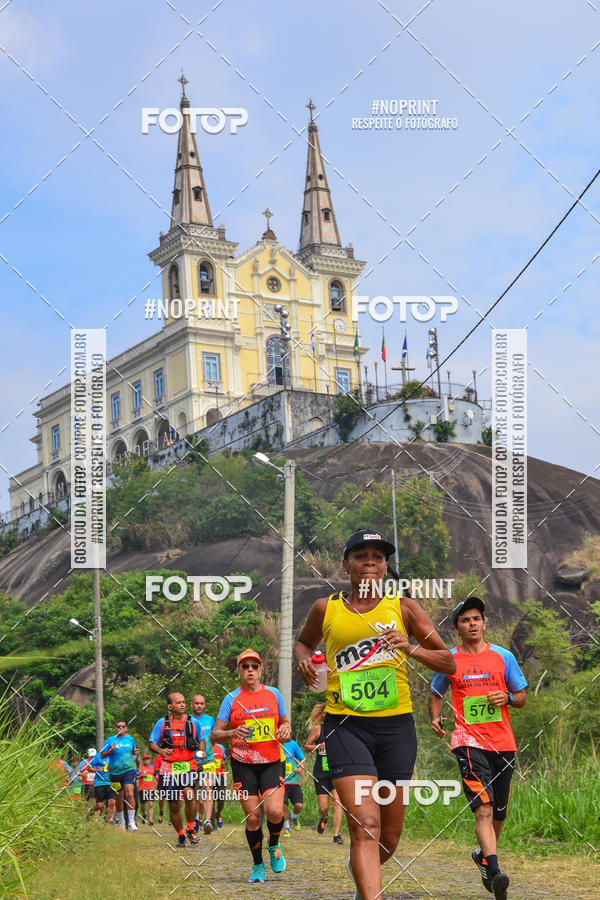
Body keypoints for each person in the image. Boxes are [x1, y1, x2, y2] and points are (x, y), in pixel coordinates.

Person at [294, 528, 456, 900]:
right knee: (365, 825)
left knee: (389, 837)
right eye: (360, 556)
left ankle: (362, 874)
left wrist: (410, 649)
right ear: (345, 565)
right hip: (345, 726)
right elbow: (303, 643)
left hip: (396, 730)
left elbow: (447, 662)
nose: (369, 562)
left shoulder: (404, 608)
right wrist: (303, 660)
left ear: (385, 567)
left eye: (378, 557)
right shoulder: (326, 608)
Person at [429, 597, 527, 900]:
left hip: (503, 744)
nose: (472, 624)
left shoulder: (503, 656)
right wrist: (435, 717)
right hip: (468, 741)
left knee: (499, 812)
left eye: (476, 619)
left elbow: (521, 696)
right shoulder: (449, 659)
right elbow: (436, 692)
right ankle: (496, 874)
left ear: (484, 623)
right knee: (483, 807)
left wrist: (507, 698)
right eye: (465, 620)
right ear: (456, 628)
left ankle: (484, 859)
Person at [212, 648, 291, 884]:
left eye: (254, 666)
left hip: (271, 762)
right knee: (254, 817)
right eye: (245, 666)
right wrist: (232, 732)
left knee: (275, 811)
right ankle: (258, 865)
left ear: (260, 670)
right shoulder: (231, 699)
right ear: (238, 671)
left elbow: (285, 723)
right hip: (243, 764)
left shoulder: (274, 694)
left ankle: (274, 844)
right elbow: (215, 735)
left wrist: (285, 729)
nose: (250, 670)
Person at [148, 692, 204, 848]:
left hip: (188, 764)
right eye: (178, 702)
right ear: (170, 706)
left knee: (190, 795)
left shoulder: (193, 722)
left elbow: (201, 740)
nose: (182, 704)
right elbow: (152, 743)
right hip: (169, 767)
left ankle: (191, 828)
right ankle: (180, 834)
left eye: (184, 702)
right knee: (173, 804)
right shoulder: (162, 723)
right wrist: (161, 751)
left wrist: (201, 752)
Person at [305, 702, 343, 844]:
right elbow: (306, 747)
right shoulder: (317, 729)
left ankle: (336, 835)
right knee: (324, 807)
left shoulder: (340, 729)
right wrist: (318, 746)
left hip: (336, 770)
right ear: (323, 714)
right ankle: (324, 817)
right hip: (321, 772)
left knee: (337, 802)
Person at [99, 720, 139, 830]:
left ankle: (131, 822)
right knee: (119, 798)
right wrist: (110, 750)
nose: (120, 728)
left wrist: (135, 752)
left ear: (126, 728)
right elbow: (102, 755)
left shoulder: (130, 739)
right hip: (114, 773)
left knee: (130, 793)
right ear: (115, 728)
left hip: (128, 769)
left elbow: (134, 751)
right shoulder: (110, 740)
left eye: (123, 726)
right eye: (118, 726)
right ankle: (121, 821)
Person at [190, 693, 216, 834]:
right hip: (192, 760)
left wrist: (207, 751)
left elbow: (213, 738)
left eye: (202, 703)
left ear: (204, 705)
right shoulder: (187, 720)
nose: (199, 706)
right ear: (191, 704)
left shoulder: (210, 720)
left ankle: (207, 821)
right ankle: (195, 819)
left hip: (208, 759)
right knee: (193, 792)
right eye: (197, 703)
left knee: (208, 787)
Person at [281, 736, 305, 836]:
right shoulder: (275, 744)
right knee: (283, 805)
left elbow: (303, 758)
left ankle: (294, 816)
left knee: (299, 805)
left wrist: (300, 768)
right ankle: (287, 827)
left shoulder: (293, 744)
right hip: (281, 782)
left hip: (294, 781)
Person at [88, 750, 117, 823]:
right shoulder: (98, 756)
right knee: (100, 805)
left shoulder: (114, 756)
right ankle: (91, 812)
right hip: (99, 783)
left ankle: (107, 821)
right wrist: (97, 769)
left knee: (112, 802)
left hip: (110, 783)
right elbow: (89, 767)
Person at [211, 742, 227, 828]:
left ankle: (218, 814)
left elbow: (225, 759)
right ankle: (213, 823)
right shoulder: (205, 747)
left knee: (221, 800)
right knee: (211, 801)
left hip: (220, 776)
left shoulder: (221, 747)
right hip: (208, 776)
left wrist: (224, 763)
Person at [138, 754, 156, 825]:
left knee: (150, 804)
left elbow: (156, 776)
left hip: (151, 788)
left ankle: (150, 820)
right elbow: (136, 777)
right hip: (142, 788)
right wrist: (141, 775)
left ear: (149, 760)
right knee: (143, 805)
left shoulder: (153, 768)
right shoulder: (140, 768)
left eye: (147, 759)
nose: (146, 761)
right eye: (145, 759)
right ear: (143, 761)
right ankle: (144, 814)